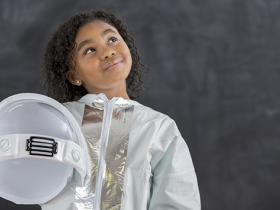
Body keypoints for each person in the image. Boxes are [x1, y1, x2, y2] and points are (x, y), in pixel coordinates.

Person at [39, 9, 200, 210]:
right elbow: (32, 180)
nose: (108, 51)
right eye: (89, 50)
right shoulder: (58, 122)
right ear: (74, 76)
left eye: (112, 39)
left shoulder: (158, 128)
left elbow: (178, 202)